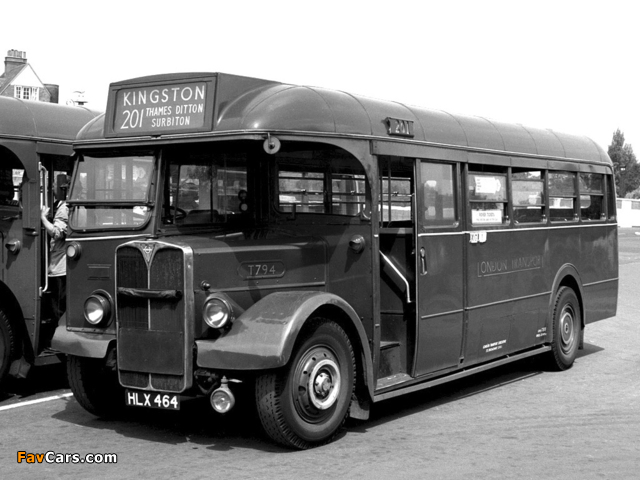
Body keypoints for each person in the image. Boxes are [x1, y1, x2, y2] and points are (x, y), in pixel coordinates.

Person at [40, 176, 69, 323]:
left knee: (57, 305)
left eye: (54, 185)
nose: (52, 188)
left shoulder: (64, 208)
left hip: (59, 265)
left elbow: (56, 233)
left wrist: (43, 218)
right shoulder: (62, 205)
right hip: (60, 262)